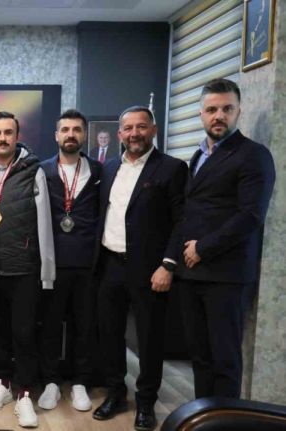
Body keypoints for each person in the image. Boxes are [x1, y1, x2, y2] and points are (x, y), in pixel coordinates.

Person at [176, 78, 275, 399]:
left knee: (225, 360)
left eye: (227, 109)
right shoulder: (198, 155)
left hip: (226, 275)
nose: (219, 116)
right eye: (212, 110)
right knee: (200, 357)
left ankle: (227, 420)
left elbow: (251, 216)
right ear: (201, 114)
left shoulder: (253, 155)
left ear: (238, 111)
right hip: (192, 273)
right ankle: (206, 416)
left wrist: (203, 248)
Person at [93, 106, 187, 431]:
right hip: (109, 264)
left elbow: (181, 221)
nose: (135, 133)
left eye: (141, 127)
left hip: (150, 270)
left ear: (153, 130)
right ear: (120, 134)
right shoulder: (108, 168)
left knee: (149, 339)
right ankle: (115, 393)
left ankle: (146, 402)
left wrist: (168, 265)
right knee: (109, 335)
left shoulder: (172, 168)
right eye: (129, 128)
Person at [0, 111, 55, 428]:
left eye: (8, 132)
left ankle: (24, 394)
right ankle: (3, 385)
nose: (3, 138)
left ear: (17, 136)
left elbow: (44, 223)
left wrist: (46, 271)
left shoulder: (34, 171)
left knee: (24, 334)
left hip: (24, 270)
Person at [38, 109, 101, 413]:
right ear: (56, 135)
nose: (71, 134)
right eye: (65, 129)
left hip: (88, 263)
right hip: (51, 262)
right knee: (50, 324)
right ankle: (50, 381)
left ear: (84, 134)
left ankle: (80, 382)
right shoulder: (42, 170)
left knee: (84, 326)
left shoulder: (100, 171)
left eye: (77, 129)